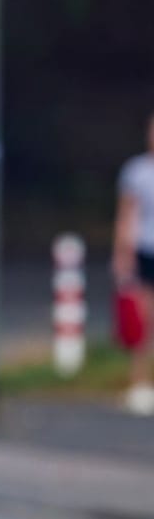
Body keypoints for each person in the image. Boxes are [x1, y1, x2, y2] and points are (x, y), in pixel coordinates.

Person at [111, 114, 154, 416]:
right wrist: (122, 254)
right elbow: (126, 215)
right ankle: (140, 383)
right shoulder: (137, 172)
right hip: (145, 249)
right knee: (141, 319)